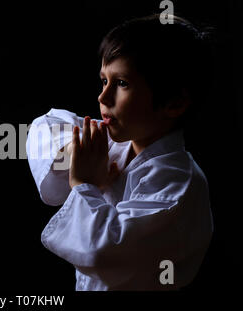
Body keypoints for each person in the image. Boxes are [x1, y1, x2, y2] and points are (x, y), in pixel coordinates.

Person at [26, 14, 214, 290]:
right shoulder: (114, 142)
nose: (103, 97)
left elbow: (104, 251)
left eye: (122, 83)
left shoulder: (179, 185)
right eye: (104, 80)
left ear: (174, 103)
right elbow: (42, 127)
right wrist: (76, 152)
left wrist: (84, 183)